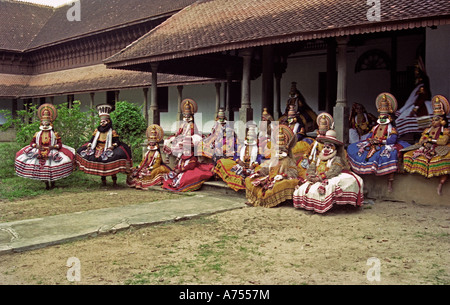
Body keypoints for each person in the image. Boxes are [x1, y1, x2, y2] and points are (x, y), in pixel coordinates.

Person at [347, 93, 411, 192]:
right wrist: (371, 140)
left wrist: (381, 141)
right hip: (373, 144)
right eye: (380, 116)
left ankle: (390, 182)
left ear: (389, 118)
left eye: (384, 117)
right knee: (356, 150)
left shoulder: (392, 128)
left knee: (390, 155)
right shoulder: (375, 127)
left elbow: (392, 140)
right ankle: (361, 179)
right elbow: (369, 136)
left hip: (386, 145)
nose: (382, 119)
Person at [293, 129, 364, 213]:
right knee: (302, 189)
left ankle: (330, 206)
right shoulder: (318, 158)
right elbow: (311, 167)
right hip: (316, 177)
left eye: (329, 147)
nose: (326, 149)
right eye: (325, 147)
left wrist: (320, 178)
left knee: (323, 188)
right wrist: (310, 176)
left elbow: (334, 171)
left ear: (334, 148)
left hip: (328, 177)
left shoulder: (336, 159)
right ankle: (311, 206)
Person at [15, 103, 75, 189]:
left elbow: (59, 144)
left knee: (52, 167)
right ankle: (46, 184)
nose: (45, 124)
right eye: (44, 122)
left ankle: (53, 183)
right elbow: (31, 143)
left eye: (47, 122)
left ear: (50, 123)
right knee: (42, 169)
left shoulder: (54, 134)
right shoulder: (37, 134)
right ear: (41, 122)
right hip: (40, 151)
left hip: (51, 151)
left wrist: (53, 147)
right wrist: (36, 146)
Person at [402, 95, 450, 195]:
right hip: (426, 148)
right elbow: (421, 140)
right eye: (432, 119)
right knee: (409, 155)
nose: (433, 121)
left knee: (441, 160)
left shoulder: (445, 130)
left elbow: (443, 142)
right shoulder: (427, 129)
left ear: (442, 121)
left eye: (436, 119)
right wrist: (425, 142)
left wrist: (431, 140)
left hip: (440, 148)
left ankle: (440, 184)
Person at [76, 104, 132, 186]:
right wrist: (90, 144)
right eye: (101, 122)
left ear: (108, 121)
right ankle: (103, 180)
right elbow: (92, 139)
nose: (102, 123)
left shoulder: (112, 132)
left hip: (108, 148)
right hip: (98, 147)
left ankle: (114, 181)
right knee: (93, 158)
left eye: (104, 122)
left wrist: (113, 146)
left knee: (112, 160)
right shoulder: (97, 131)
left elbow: (117, 141)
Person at [244, 124, 300, 208]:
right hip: (269, 179)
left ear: (287, 151)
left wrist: (282, 176)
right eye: (277, 150)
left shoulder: (289, 161)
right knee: (249, 179)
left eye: (281, 150)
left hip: (280, 180)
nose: (279, 152)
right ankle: (254, 200)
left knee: (279, 186)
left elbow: (294, 172)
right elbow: (267, 169)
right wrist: (259, 173)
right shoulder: (274, 159)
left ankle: (272, 202)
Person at [213, 125, 262, 191]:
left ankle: (246, 179)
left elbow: (260, 158)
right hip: (241, 165)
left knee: (258, 172)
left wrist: (253, 165)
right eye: (248, 138)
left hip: (253, 167)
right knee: (222, 162)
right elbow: (235, 155)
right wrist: (238, 161)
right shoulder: (242, 147)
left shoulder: (258, 147)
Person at [395, 57, 432, 137]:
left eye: (416, 70)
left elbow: (422, 97)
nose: (415, 72)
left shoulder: (422, 86)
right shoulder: (418, 86)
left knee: (421, 119)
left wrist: (417, 107)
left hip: (422, 105)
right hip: (417, 104)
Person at [126, 124, 171, 189]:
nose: (151, 144)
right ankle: (136, 183)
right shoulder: (147, 153)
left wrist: (150, 168)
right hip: (146, 166)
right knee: (134, 172)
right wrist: (137, 167)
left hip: (154, 167)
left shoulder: (157, 153)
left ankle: (143, 183)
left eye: (153, 143)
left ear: (155, 144)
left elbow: (157, 164)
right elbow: (143, 162)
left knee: (148, 174)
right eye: (150, 143)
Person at [297, 112, 334, 179]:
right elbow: (309, 150)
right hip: (314, 159)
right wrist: (306, 156)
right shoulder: (316, 142)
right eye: (320, 127)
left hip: (324, 160)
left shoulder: (330, 141)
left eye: (324, 128)